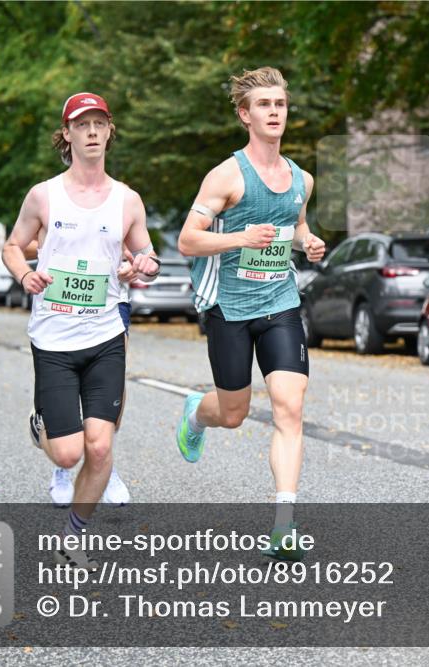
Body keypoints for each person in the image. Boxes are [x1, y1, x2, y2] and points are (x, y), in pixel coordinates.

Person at [3, 92, 159, 568]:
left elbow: (147, 255)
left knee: (100, 444)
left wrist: (141, 268)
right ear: (67, 135)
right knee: (67, 455)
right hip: (52, 337)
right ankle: (42, 425)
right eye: (81, 124)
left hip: (105, 335)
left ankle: (76, 532)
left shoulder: (127, 200)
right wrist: (24, 274)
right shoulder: (43, 195)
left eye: (99, 123)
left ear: (110, 131)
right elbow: (13, 246)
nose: (91, 131)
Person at [177, 67, 326, 561]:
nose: (274, 112)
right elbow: (187, 240)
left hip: (280, 302)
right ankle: (198, 414)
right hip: (230, 306)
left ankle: (284, 524)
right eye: (264, 105)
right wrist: (241, 237)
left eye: (280, 104)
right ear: (245, 115)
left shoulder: (301, 178)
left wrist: (309, 242)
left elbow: (297, 225)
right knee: (234, 413)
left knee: (290, 406)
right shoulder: (226, 175)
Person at [22, 239, 132, 508]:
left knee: (112, 384)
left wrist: (132, 263)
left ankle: (102, 462)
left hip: (111, 300)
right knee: (67, 400)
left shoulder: (122, 197)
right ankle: (62, 459)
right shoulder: (47, 198)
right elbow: (21, 246)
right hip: (60, 306)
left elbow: (137, 249)